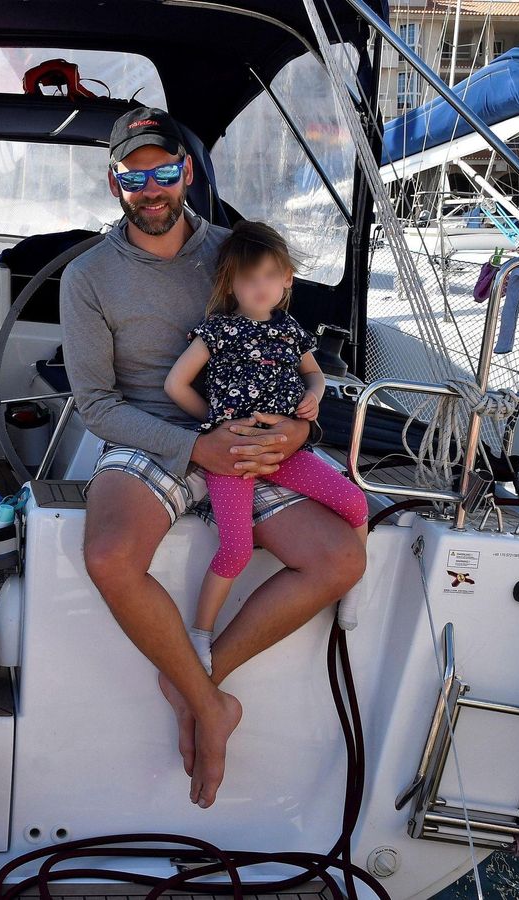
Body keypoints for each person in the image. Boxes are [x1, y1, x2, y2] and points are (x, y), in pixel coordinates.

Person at [60, 106, 367, 810]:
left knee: (341, 558)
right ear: (114, 185)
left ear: (187, 173)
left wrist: (299, 431)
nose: (151, 189)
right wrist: (196, 446)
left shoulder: (239, 256)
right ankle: (211, 705)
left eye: (164, 172)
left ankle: (195, 681)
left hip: (254, 435)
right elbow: (96, 403)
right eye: (133, 177)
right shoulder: (87, 277)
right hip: (154, 435)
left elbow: (291, 358)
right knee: (108, 555)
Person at [162, 221, 370, 675]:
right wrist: (214, 422)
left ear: (287, 280)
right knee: (235, 549)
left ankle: (352, 582)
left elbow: (314, 374)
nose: (260, 287)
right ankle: (201, 633)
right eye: (249, 278)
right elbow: (175, 383)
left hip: (287, 453)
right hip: (232, 458)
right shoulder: (217, 331)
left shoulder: (291, 331)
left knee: (356, 501)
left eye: (270, 276)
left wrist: (312, 396)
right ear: (230, 283)